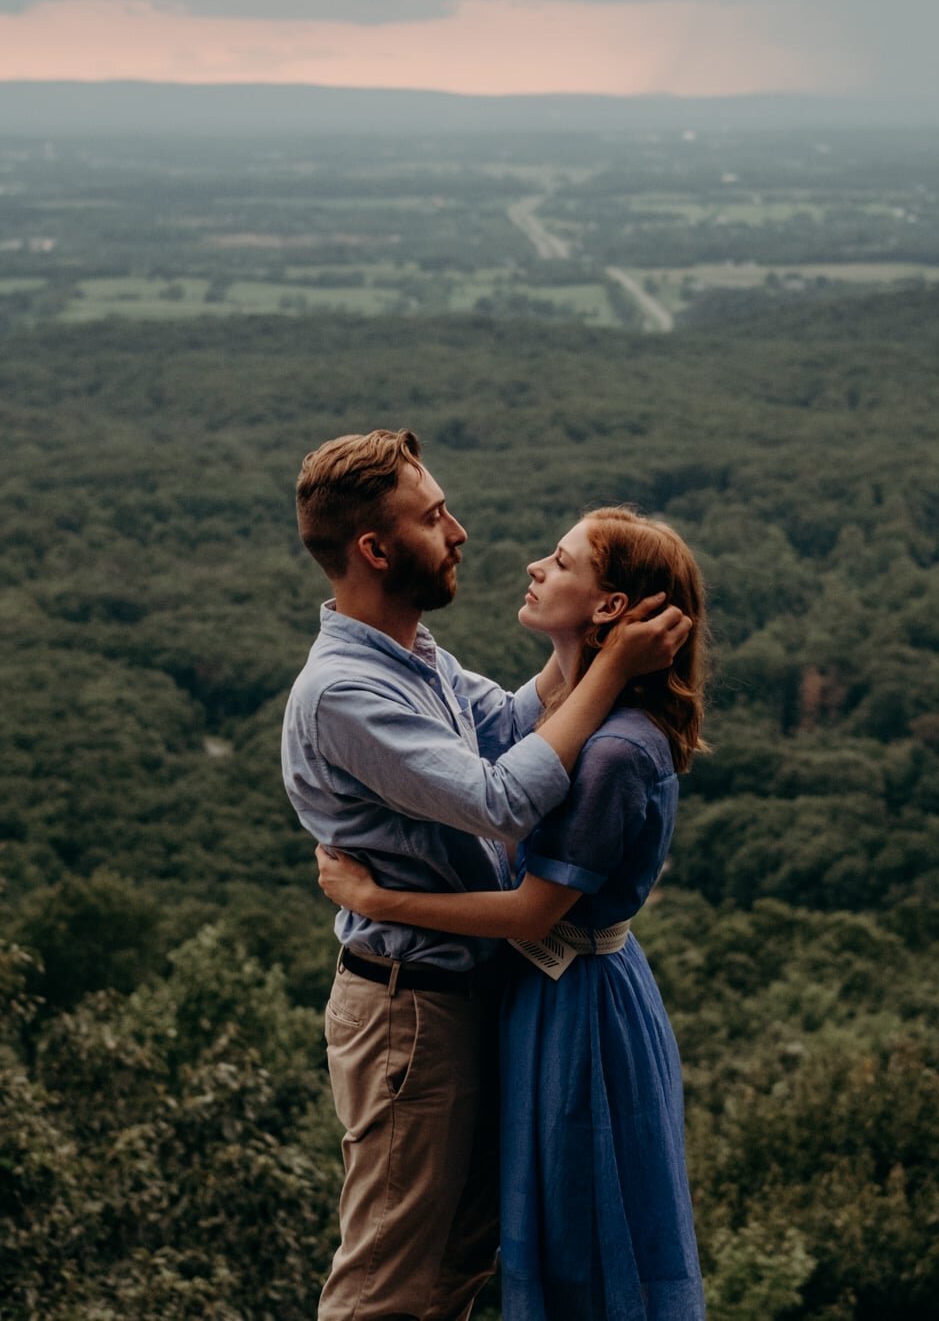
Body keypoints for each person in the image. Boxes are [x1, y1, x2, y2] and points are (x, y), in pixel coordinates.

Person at [281, 430, 692, 1321]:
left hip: (466, 998)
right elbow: (502, 798)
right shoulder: (346, 691)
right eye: (434, 517)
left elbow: (507, 722)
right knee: (389, 1284)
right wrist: (612, 661)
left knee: (457, 1267)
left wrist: (584, 648)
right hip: (408, 1014)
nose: (459, 530)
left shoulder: (416, 657)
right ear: (375, 550)